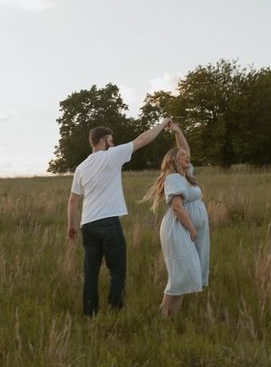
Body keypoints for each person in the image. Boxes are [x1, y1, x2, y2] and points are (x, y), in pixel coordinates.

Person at [67, 119, 171, 316]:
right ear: (103, 141)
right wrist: (162, 124)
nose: (113, 144)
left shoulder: (81, 168)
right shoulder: (112, 155)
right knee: (117, 271)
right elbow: (142, 140)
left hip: (87, 225)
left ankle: (90, 315)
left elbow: (72, 201)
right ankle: (115, 313)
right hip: (109, 223)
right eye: (111, 141)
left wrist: (71, 227)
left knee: (90, 273)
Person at [142, 120, 210, 317]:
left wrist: (178, 131)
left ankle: (174, 316)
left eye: (186, 155)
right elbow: (178, 208)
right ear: (173, 161)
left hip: (187, 230)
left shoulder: (186, 175)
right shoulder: (173, 179)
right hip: (179, 229)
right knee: (181, 272)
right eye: (182, 156)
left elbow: (184, 148)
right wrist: (192, 229)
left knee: (187, 273)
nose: (186, 156)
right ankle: (163, 314)